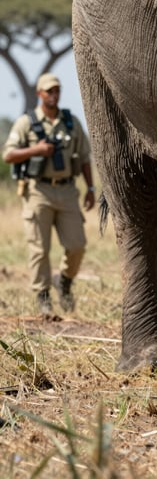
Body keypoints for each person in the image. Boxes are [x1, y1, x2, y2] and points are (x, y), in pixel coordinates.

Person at [2, 73, 96, 315]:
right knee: (39, 249)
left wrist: (91, 189)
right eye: (49, 91)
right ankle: (43, 296)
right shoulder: (26, 122)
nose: (53, 95)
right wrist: (37, 149)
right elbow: (8, 155)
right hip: (37, 191)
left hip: (67, 190)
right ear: (39, 94)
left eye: (57, 91)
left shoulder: (71, 122)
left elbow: (85, 158)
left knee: (77, 245)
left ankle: (64, 280)